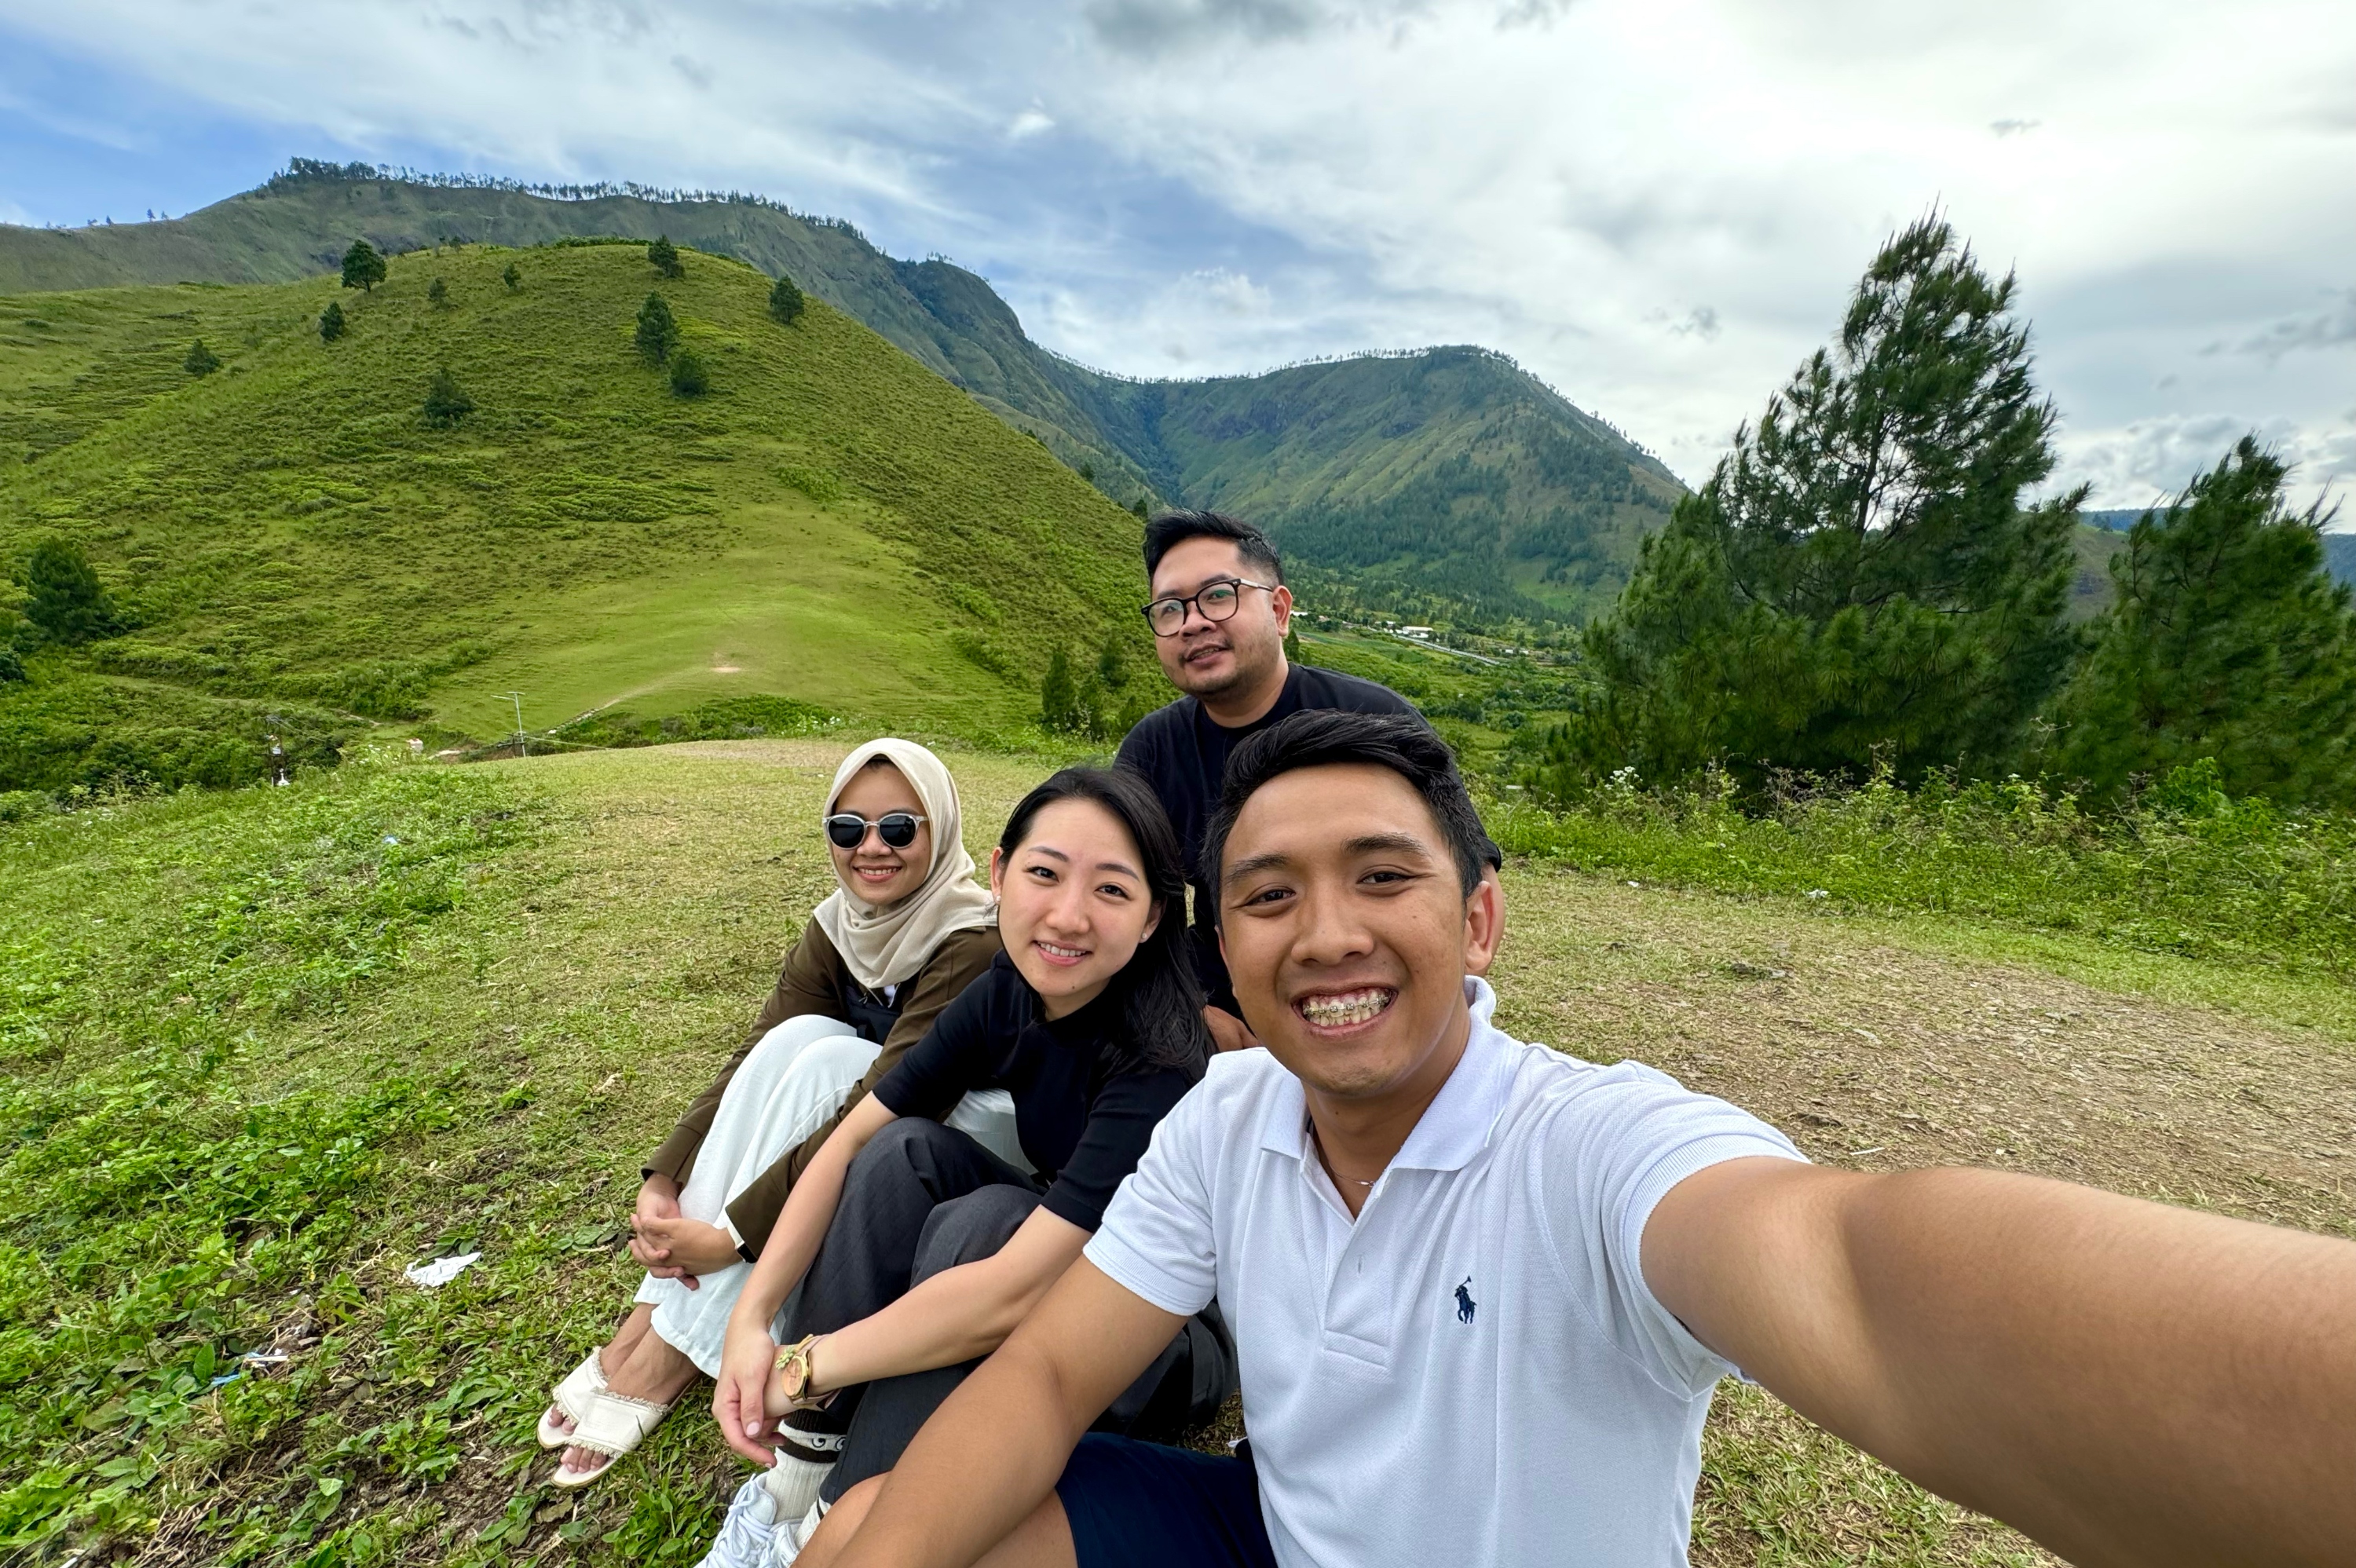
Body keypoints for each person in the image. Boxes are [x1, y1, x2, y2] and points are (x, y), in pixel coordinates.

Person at [796, 711, 2356, 1568]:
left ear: (1480, 918)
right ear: (1227, 947)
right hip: (1270, 1531)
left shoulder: (1593, 1145)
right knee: (876, 1525)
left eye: (1382, 877)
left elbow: (1861, 1275)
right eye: (1270, 894)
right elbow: (1048, 1372)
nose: (1324, 933)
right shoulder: (1230, 1116)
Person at [695, 766, 1235, 1566]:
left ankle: (847, 1518)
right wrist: (752, 1316)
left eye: (1112, 890)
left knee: (985, 1228)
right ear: (1000, 872)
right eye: (1045, 873)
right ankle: (799, 1470)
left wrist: (802, 1364)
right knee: (901, 1151)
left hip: (1160, 1333)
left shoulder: (1159, 1062)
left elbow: (1009, 1289)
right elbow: (849, 1141)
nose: (1068, 915)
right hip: (1058, 1260)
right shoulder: (1004, 992)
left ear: (1154, 915)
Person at [539, 739, 1004, 1486]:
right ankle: (653, 1319)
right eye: (848, 828)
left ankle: (673, 1350)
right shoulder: (840, 924)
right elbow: (755, 1053)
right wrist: (666, 1176)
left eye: (899, 827)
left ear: (941, 828)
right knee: (795, 1040)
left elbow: (887, 1099)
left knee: (832, 1060)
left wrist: (732, 1235)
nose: (871, 848)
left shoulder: (971, 940)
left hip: (948, 1144)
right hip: (860, 1129)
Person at [1114, 510, 1494, 1054]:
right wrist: (1190, 1009)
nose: (1192, 622)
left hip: (1367, 986)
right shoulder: (1153, 749)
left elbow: (1472, 875)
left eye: (1218, 595)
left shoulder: (1374, 720)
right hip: (1220, 997)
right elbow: (1120, 902)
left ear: (1279, 610)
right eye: (1170, 608)